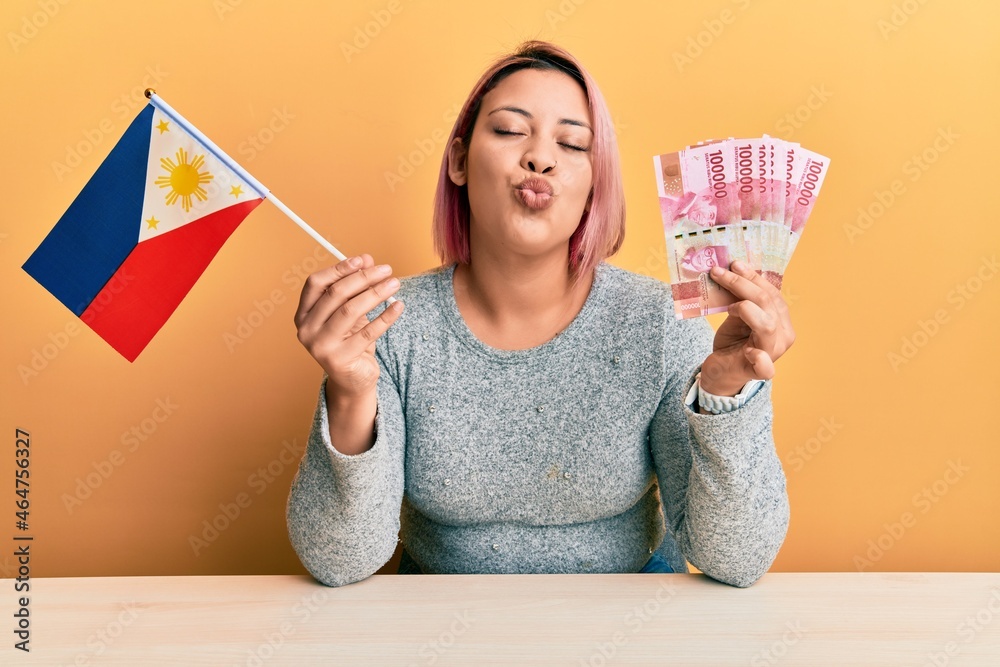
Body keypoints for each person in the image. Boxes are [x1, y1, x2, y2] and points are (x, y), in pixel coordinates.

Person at [287, 41, 793, 588]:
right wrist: (350, 390)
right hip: (441, 630)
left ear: (595, 184)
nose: (540, 158)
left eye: (573, 144)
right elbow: (338, 561)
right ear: (458, 161)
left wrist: (724, 397)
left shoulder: (661, 324)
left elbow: (738, 560)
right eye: (508, 131)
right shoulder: (389, 327)